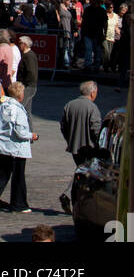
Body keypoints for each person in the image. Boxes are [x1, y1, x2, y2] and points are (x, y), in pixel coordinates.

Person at [0, 81, 37, 214]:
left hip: (2, 147)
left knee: (3, 174)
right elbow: (20, 132)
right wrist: (32, 135)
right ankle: (19, 204)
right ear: (20, 94)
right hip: (16, 149)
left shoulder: (3, 106)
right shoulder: (17, 109)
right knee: (18, 177)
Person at [59, 80, 102, 212]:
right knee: (83, 173)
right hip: (88, 147)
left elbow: (63, 126)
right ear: (92, 93)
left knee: (80, 170)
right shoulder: (92, 108)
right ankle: (70, 196)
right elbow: (96, 129)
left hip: (74, 146)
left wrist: (70, 140)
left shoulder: (70, 105)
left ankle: (74, 199)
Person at [16, 36, 39, 118]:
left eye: (20, 43)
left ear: (24, 44)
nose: (18, 45)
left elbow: (31, 72)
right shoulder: (26, 55)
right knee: (27, 110)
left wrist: (24, 84)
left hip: (28, 86)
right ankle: (30, 130)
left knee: (20, 107)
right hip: (28, 85)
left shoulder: (29, 56)